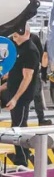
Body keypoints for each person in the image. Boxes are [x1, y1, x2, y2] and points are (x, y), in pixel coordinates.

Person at [2, 24, 40, 166]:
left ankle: (22, 160)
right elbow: (15, 76)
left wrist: (15, 99)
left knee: (18, 127)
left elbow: (27, 78)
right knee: (16, 125)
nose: (15, 36)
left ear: (27, 33)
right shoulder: (16, 47)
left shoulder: (30, 51)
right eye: (14, 34)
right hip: (13, 91)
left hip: (22, 96)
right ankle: (22, 157)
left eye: (18, 34)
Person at [28, 32, 52, 126]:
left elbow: (42, 55)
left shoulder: (34, 38)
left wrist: (43, 71)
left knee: (37, 95)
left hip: (34, 72)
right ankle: (19, 119)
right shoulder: (13, 39)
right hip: (20, 72)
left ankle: (41, 119)